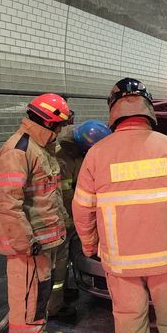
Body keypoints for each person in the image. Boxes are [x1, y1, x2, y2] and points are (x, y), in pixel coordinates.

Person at [72, 78, 167, 333]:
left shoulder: (96, 154)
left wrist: (89, 246)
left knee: (129, 318)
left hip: (121, 262)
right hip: (166, 258)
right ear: (148, 109)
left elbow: (82, 208)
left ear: (114, 111)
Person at [0, 93, 73, 333]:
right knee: (27, 306)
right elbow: (7, 203)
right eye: (60, 125)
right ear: (49, 123)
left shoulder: (41, 149)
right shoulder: (18, 151)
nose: (61, 131)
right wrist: (27, 243)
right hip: (29, 246)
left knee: (39, 298)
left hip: (43, 242)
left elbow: (47, 197)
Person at [47, 120, 111, 320]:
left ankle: (63, 293)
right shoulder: (63, 158)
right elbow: (66, 195)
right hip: (61, 219)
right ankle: (55, 307)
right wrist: (77, 219)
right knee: (59, 263)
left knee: (65, 261)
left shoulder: (75, 150)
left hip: (70, 217)